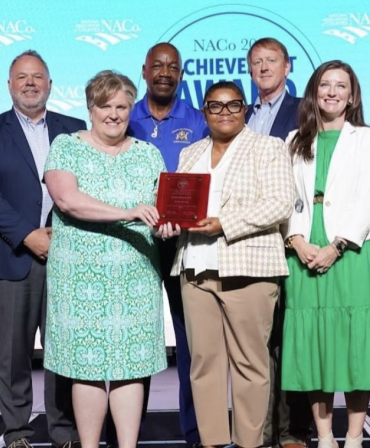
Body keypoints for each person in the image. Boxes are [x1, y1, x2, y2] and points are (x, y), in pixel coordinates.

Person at [43, 69, 178, 448]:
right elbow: (68, 200)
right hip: (80, 276)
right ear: (91, 108)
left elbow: (159, 212)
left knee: (131, 365)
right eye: (106, 106)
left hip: (135, 276)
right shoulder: (67, 146)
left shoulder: (149, 154)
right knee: (86, 365)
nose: (114, 114)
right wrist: (130, 212)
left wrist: (165, 227)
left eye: (122, 106)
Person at [0, 50, 85, 448]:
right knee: (13, 354)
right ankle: (17, 431)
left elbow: (85, 190)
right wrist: (27, 235)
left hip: (64, 256)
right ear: (9, 85)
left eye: (38, 76)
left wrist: (55, 234)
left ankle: (64, 431)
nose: (30, 82)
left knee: (63, 352)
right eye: (22, 77)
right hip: (9, 256)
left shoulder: (75, 129)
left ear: (50, 84)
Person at [170, 81, 294, 448]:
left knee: (250, 364)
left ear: (245, 109)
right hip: (195, 267)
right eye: (215, 106)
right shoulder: (190, 153)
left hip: (249, 269)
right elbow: (180, 206)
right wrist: (168, 222)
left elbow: (279, 204)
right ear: (204, 111)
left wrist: (225, 223)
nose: (225, 113)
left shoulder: (268, 148)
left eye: (233, 105)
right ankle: (211, 442)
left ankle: (249, 443)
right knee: (204, 364)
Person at [281, 60, 370, 448]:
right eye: (324, 85)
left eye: (340, 86)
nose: (331, 92)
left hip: (351, 250)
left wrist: (337, 245)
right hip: (304, 250)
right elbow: (288, 200)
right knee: (315, 344)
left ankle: (354, 435)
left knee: (353, 343)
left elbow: (367, 197)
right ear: (314, 92)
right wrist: (296, 242)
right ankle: (326, 436)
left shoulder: (366, 138)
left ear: (352, 95)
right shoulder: (294, 139)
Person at [119, 42, 207, 448]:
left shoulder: (199, 119)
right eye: (158, 65)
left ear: (182, 74)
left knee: (193, 348)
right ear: (144, 70)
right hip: (132, 245)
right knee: (128, 342)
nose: (165, 72)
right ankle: (122, 436)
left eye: (173, 66)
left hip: (184, 245)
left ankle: (195, 434)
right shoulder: (123, 114)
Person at [244, 37, 311, 448]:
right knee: (258, 344)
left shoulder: (306, 109)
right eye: (257, 62)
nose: (264, 68)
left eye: (272, 61)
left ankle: (293, 430)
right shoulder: (240, 113)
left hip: (291, 238)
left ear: (287, 67)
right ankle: (260, 430)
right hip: (249, 242)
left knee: (292, 340)